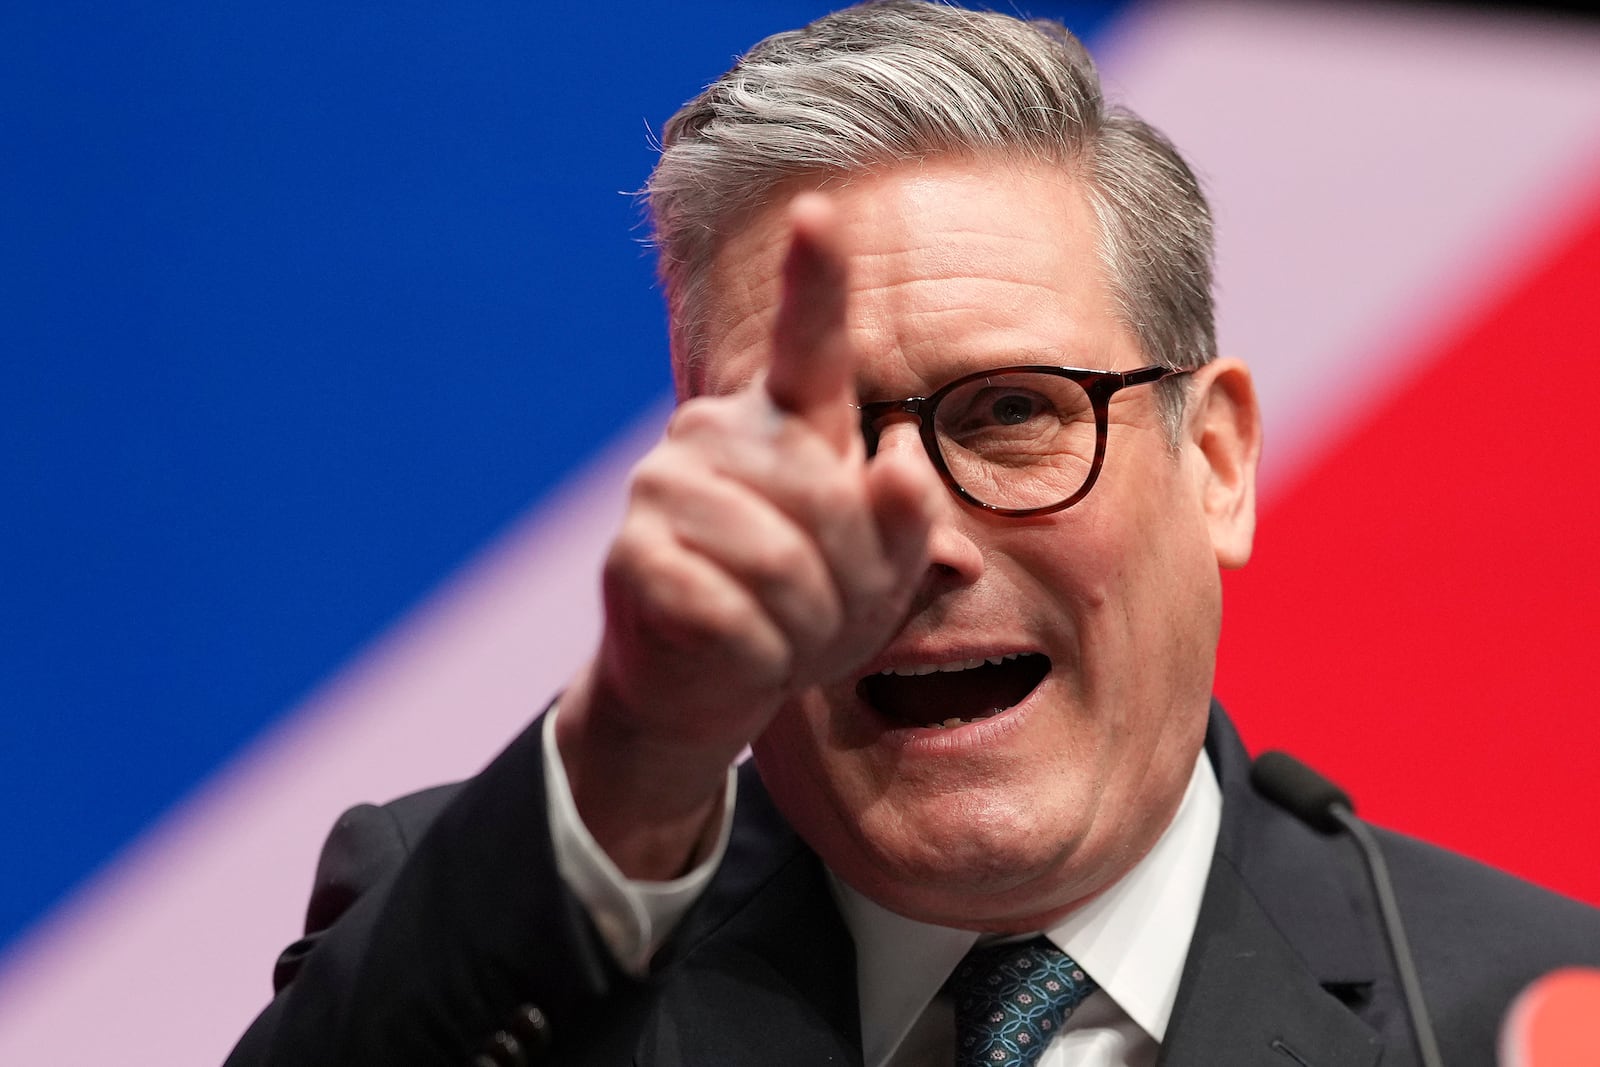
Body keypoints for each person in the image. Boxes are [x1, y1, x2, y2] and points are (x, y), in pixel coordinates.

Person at [225, 3, 1600, 1065]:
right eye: (812, 443)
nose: (914, 538)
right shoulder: (500, 944)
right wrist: (635, 756)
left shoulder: (1518, 1014)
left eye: (1011, 411)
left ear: (1218, 464)